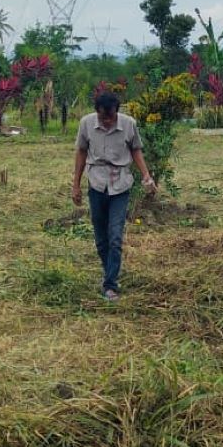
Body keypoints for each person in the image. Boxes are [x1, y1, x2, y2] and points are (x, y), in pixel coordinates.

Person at [72, 92, 156, 300]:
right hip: (97, 183)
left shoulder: (129, 124)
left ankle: (110, 285)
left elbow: (136, 150)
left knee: (115, 237)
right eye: (103, 117)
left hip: (120, 185)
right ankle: (109, 271)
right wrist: (76, 185)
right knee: (101, 239)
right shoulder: (86, 124)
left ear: (117, 112)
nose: (107, 121)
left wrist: (146, 176)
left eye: (111, 117)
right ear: (97, 112)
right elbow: (81, 152)